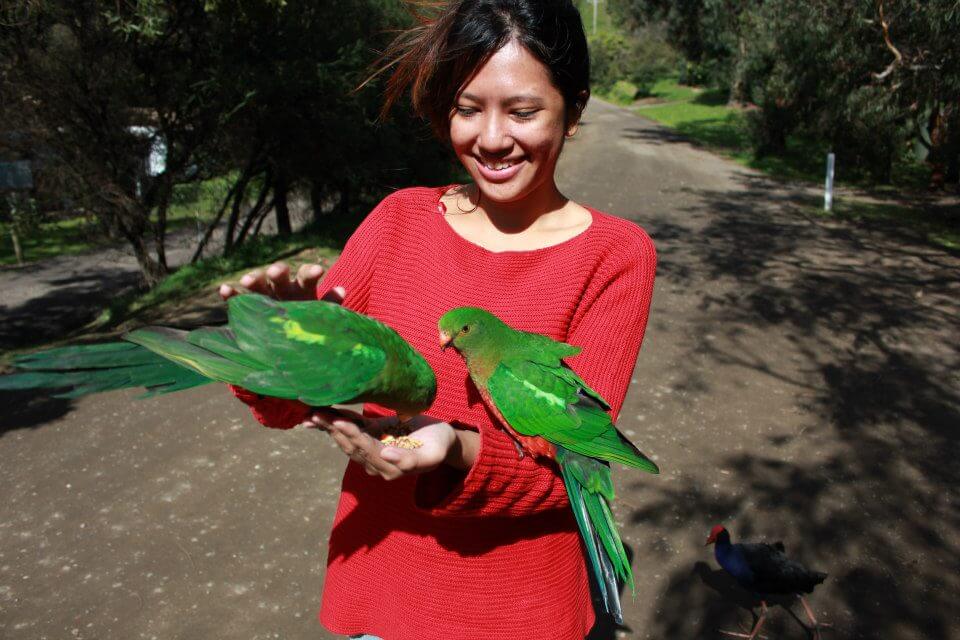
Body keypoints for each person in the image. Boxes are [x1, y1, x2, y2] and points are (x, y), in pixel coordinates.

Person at [218, 1, 656, 638]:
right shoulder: (399, 223)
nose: (492, 138)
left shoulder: (616, 256)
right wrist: (277, 349)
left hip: (523, 615)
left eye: (523, 111)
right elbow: (290, 405)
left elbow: (573, 474)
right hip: (387, 599)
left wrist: (457, 448)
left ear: (575, 108)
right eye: (467, 108)